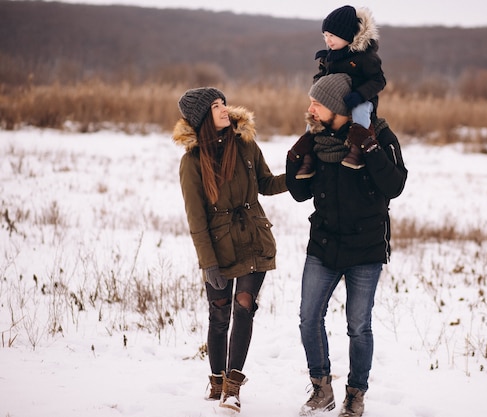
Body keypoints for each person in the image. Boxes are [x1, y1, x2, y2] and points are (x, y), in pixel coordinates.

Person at [286, 73, 408, 417]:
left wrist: (368, 147)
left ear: (338, 108)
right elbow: (300, 194)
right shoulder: (317, 139)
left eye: (317, 102)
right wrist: (294, 158)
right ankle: (321, 389)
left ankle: (356, 394)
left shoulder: (378, 135)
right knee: (309, 318)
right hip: (324, 244)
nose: (310, 107)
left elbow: (395, 185)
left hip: (365, 247)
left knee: (358, 325)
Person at [172, 87, 287, 413]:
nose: (225, 109)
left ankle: (233, 388)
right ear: (202, 117)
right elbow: (197, 220)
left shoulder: (246, 145)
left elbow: (265, 184)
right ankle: (216, 381)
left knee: (244, 307)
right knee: (219, 314)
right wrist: (208, 264)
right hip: (219, 250)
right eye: (216, 106)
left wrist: (298, 175)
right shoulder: (192, 162)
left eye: (223, 103)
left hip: (253, 239)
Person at [296, 4, 386, 179]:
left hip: (360, 99)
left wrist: (360, 95)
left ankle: (357, 149)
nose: (328, 41)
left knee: (360, 112)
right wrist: (320, 89)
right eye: (325, 36)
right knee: (312, 118)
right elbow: (320, 76)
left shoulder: (365, 57)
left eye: (332, 36)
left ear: (347, 35)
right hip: (333, 101)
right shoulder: (330, 57)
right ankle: (308, 155)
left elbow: (378, 80)